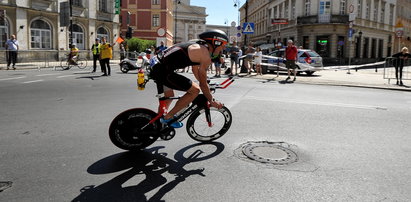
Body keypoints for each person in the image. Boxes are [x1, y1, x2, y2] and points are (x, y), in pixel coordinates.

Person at [150, 29, 227, 128]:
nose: (224, 48)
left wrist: (205, 83)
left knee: (169, 95)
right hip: (162, 70)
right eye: (223, 44)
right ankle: (168, 118)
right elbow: (202, 85)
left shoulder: (198, 46)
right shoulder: (205, 55)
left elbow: (195, 70)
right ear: (216, 42)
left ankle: (157, 122)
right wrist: (211, 100)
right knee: (195, 90)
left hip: (156, 64)